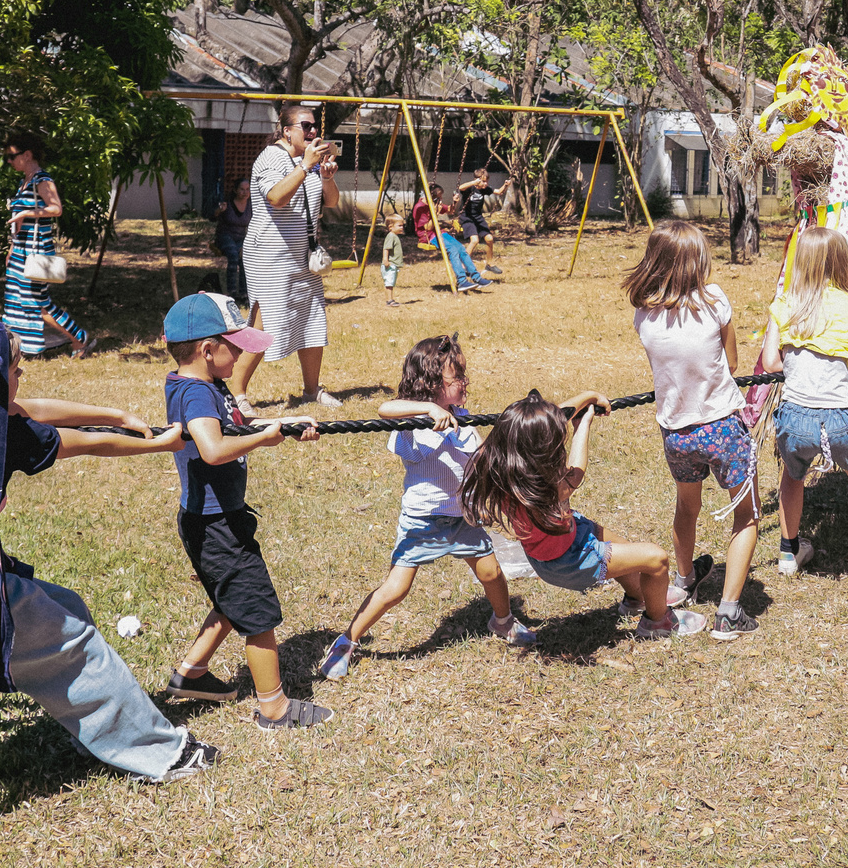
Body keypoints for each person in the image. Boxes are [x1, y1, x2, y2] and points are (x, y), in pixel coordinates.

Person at [0, 317, 218, 782]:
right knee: (76, 643)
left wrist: (116, 413)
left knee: (66, 607)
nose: (21, 379)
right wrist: (159, 446)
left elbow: (30, 407)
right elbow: (83, 445)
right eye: (15, 370)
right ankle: (161, 754)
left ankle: (98, 731)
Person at [317, 335, 539, 682]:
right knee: (396, 589)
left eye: (464, 375)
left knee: (492, 574)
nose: (466, 382)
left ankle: (503, 621)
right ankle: (346, 641)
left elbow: (481, 460)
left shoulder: (462, 420)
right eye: (457, 378)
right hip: (423, 521)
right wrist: (427, 410)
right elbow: (384, 409)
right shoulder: (411, 426)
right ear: (432, 385)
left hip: (463, 518)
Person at [159, 294, 334, 728]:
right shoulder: (196, 394)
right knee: (255, 607)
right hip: (214, 523)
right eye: (234, 345)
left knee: (230, 597)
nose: (240, 353)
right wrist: (263, 439)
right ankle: (273, 708)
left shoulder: (202, 385)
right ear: (206, 350)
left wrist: (281, 429)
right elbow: (214, 449)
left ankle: (191, 674)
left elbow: (229, 426)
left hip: (219, 518)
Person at [460, 392, 705, 640]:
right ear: (539, 451)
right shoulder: (547, 489)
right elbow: (577, 470)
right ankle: (658, 621)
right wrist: (583, 425)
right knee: (656, 559)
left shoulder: (508, 470)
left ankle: (638, 598)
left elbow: (548, 419)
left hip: (568, 538)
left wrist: (588, 397)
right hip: (571, 561)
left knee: (626, 549)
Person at [627, 218, 762, 640]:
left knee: (688, 507)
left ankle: (684, 580)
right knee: (747, 514)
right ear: (697, 261)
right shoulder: (715, 300)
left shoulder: (643, 316)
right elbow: (734, 362)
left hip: (677, 433)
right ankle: (729, 612)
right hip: (721, 425)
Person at [760, 224, 848, 582]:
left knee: (792, 478)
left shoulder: (784, 304)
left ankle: (788, 554)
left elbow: (770, 363)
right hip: (840, 416)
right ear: (842, 263)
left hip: (794, 416)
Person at [233, 103, 342, 411]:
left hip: (301, 258)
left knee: (312, 320)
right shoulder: (272, 158)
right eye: (305, 126)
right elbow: (276, 198)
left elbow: (331, 203)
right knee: (263, 327)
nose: (312, 132)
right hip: (269, 258)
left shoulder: (304, 160)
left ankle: (311, 390)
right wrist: (306, 167)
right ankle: (237, 395)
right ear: (287, 131)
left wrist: (327, 177)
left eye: (314, 127)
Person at [3, 130, 90, 359]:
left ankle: (78, 337)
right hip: (21, 251)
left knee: (38, 302)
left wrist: (26, 212)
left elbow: (56, 208)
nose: (10, 161)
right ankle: (21, 348)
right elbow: (21, 224)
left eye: (12, 156)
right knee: (17, 301)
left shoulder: (43, 180)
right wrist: (12, 249)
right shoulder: (25, 182)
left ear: (28, 154)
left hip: (36, 252)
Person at [210, 183, 251, 307]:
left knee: (245, 259)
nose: (245, 192)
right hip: (225, 236)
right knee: (233, 256)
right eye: (242, 189)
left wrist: (246, 244)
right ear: (235, 190)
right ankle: (231, 292)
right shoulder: (227, 204)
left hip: (241, 238)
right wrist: (219, 210)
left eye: (247, 189)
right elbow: (212, 217)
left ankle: (244, 293)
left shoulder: (251, 206)